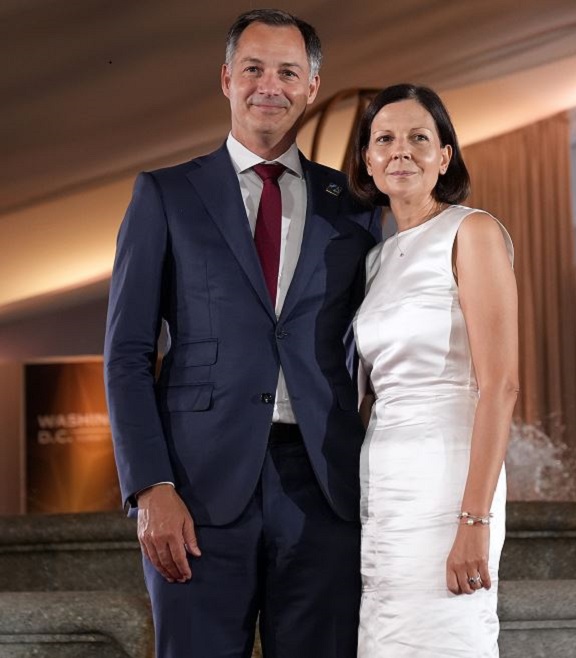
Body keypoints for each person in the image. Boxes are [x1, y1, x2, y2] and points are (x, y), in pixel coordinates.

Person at [104, 9, 378, 657]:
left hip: (324, 489)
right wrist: (151, 485)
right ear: (227, 78)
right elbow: (128, 355)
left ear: (312, 87)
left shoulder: (356, 206)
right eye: (253, 68)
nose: (269, 86)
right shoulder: (165, 195)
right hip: (195, 488)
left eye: (288, 72)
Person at [346, 84, 518, 656]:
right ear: (368, 160)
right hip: (384, 481)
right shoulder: (374, 260)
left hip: (448, 479)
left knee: (449, 636)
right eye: (385, 139)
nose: (401, 151)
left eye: (419, 138)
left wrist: (474, 520)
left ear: (444, 157)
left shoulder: (473, 232)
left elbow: (500, 386)